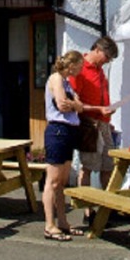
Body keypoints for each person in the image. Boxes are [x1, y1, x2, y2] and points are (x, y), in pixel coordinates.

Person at [69, 35, 119, 221]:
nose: (107, 61)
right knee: (88, 166)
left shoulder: (99, 70)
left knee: (109, 166)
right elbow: (76, 102)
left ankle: (108, 208)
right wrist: (98, 110)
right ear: (97, 49)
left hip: (103, 123)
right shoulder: (80, 69)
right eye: (107, 57)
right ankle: (88, 211)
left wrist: (107, 115)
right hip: (89, 124)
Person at [41, 51, 84, 241]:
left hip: (69, 132)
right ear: (71, 65)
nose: (81, 70)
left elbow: (79, 106)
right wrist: (74, 104)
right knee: (53, 181)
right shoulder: (56, 78)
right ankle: (49, 225)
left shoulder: (67, 83)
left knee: (63, 182)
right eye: (79, 66)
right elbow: (62, 105)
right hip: (57, 131)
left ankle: (63, 222)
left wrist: (74, 104)